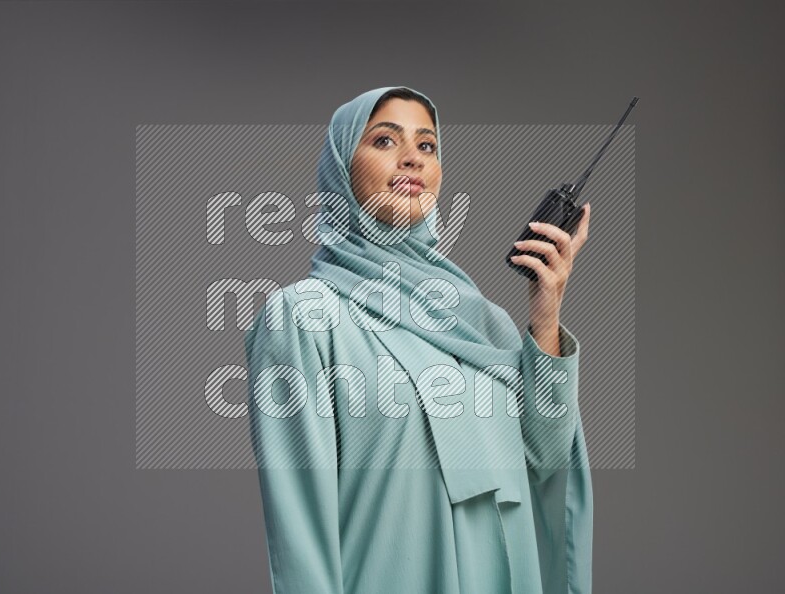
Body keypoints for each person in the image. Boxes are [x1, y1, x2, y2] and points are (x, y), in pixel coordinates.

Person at [244, 86, 593, 594]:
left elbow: (544, 461)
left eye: (427, 146)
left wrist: (546, 316)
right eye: (385, 141)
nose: (412, 158)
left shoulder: (485, 323)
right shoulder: (304, 318)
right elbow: (300, 531)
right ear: (343, 168)